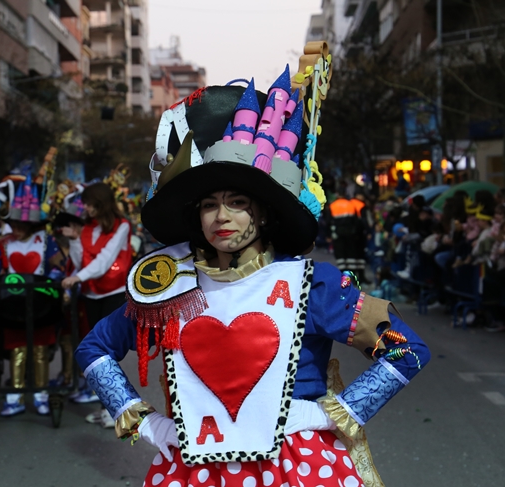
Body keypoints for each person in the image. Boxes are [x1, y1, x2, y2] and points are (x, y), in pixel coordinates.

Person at [75, 74, 429, 487]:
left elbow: (407, 350)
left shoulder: (313, 284)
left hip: (295, 465)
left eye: (237, 203)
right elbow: (95, 347)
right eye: (209, 205)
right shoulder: (172, 287)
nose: (221, 217)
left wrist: (330, 413)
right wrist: (146, 421)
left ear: (262, 213)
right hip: (195, 469)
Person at [0, 173, 63, 417]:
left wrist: (57, 279)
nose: (16, 228)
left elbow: (59, 266)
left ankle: (40, 395)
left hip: (42, 305)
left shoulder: (47, 241)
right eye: (13, 223)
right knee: (17, 350)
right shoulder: (3, 243)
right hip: (13, 306)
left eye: (21, 224)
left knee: (39, 350)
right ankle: (15, 396)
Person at [60, 182, 132, 425]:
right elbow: (81, 260)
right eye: (85, 203)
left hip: (113, 293)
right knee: (95, 353)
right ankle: (110, 409)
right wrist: (73, 240)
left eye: (91, 203)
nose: (87, 208)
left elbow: (104, 261)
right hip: (90, 295)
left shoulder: (122, 226)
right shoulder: (86, 228)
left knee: (109, 354)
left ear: (102, 202)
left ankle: (118, 410)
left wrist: (77, 278)